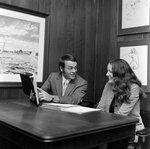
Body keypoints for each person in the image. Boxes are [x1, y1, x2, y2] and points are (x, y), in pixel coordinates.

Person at [97, 59, 146, 148]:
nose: (106, 74)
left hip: (129, 130)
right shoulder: (108, 85)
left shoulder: (134, 88)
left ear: (119, 74)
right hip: (111, 128)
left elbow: (121, 115)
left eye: (110, 72)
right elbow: (100, 108)